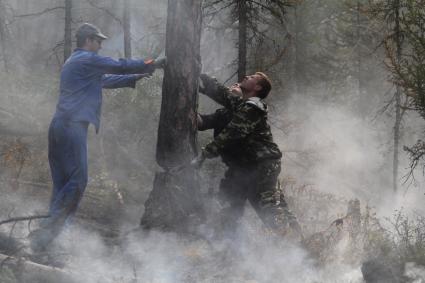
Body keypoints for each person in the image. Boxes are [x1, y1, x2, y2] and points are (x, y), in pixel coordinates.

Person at [29, 23, 165, 252]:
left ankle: (49, 240)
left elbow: (105, 81)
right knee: (79, 180)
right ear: (88, 40)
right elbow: (118, 65)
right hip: (72, 127)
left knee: (63, 184)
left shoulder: (76, 62)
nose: (101, 45)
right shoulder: (86, 59)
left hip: (60, 126)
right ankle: (46, 235)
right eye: (98, 41)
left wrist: (139, 75)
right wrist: (150, 62)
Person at [194, 73, 302, 239]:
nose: (244, 77)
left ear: (257, 87)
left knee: (271, 211)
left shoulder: (253, 108)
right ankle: (226, 251)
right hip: (240, 170)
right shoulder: (231, 110)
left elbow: (232, 133)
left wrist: (204, 154)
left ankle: (299, 246)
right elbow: (218, 102)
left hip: (261, 167)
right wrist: (202, 77)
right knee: (228, 209)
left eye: (251, 77)